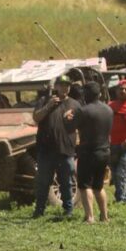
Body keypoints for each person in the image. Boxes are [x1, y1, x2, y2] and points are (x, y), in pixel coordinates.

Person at [32, 75, 80, 218]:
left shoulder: (75, 104)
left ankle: (68, 211)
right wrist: (48, 106)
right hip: (46, 150)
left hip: (65, 150)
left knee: (66, 182)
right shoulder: (44, 100)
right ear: (56, 87)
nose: (65, 88)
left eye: (67, 85)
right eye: (62, 85)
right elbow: (36, 118)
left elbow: (81, 123)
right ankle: (39, 211)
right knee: (43, 182)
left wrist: (78, 139)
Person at [69, 81, 113, 223]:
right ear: (99, 94)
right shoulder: (108, 110)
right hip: (104, 151)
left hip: (88, 152)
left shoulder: (83, 111)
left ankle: (90, 217)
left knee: (84, 185)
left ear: (86, 94)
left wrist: (68, 117)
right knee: (98, 185)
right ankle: (105, 217)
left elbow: (71, 127)